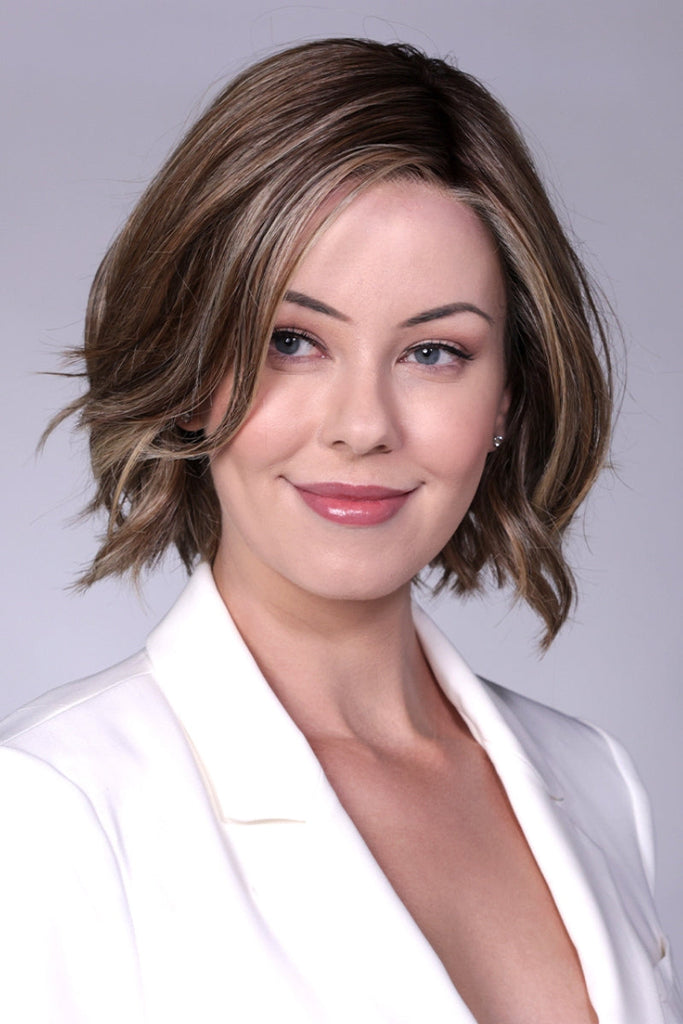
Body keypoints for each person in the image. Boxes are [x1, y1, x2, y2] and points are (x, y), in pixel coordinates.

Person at [0, 37, 680, 1024]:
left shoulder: (595, 780)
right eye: (292, 341)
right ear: (194, 371)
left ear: (505, 398)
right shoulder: (53, 810)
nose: (361, 423)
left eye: (435, 351)